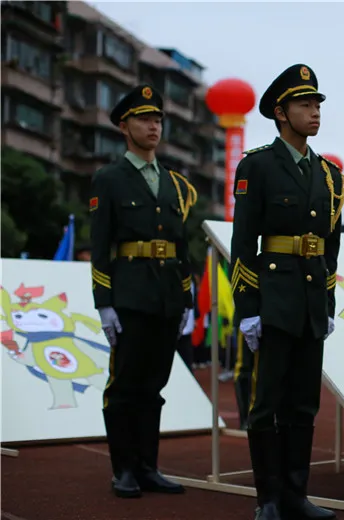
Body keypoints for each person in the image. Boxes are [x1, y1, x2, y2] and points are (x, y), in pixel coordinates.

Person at [229, 63, 344, 520]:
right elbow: (243, 242)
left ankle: (296, 495)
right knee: (267, 403)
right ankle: (269, 499)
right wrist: (248, 308)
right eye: (305, 104)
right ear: (281, 112)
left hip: (311, 299)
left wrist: (329, 303)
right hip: (273, 297)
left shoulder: (329, 175)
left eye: (317, 104)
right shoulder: (256, 165)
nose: (315, 112)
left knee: (303, 403)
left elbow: (330, 248)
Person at [89, 84, 197, 498]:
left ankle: (148, 467)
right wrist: (105, 304)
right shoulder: (109, 178)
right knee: (125, 386)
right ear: (124, 126)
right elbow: (100, 246)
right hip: (129, 294)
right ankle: (125, 470)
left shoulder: (175, 183)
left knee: (155, 385)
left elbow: (181, 243)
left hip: (167, 295)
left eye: (157, 119)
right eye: (144, 119)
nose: (153, 126)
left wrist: (186, 296)